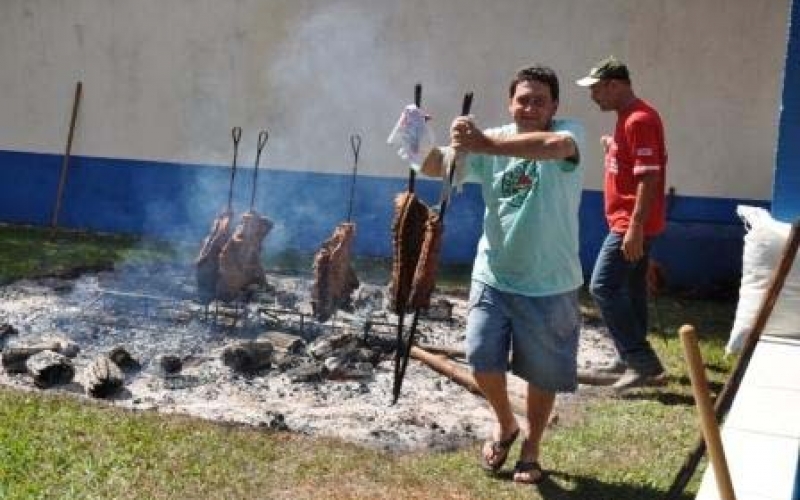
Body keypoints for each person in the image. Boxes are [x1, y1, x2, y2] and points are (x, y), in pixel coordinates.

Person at [419, 65, 584, 485]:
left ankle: (532, 448)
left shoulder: (569, 134)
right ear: (510, 103)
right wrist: (416, 141)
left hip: (551, 281)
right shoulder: (490, 137)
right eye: (522, 99)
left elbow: (552, 146)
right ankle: (506, 423)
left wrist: (485, 143)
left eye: (539, 100)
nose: (529, 107)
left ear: (555, 106)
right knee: (479, 356)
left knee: (541, 373)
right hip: (494, 273)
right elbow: (439, 166)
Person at [576, 56, 668, 390]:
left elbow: (648, 180)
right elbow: (635, 166)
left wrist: (635, 227)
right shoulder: (627, 118)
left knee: (602, 286)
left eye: (597, 89)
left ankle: (642, 362)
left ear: (614, 85)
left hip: (631, 222)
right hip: (630, 220)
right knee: (631, 289)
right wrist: (612, 149)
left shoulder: (638, 119)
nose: (593, 96)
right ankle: (628, 357)